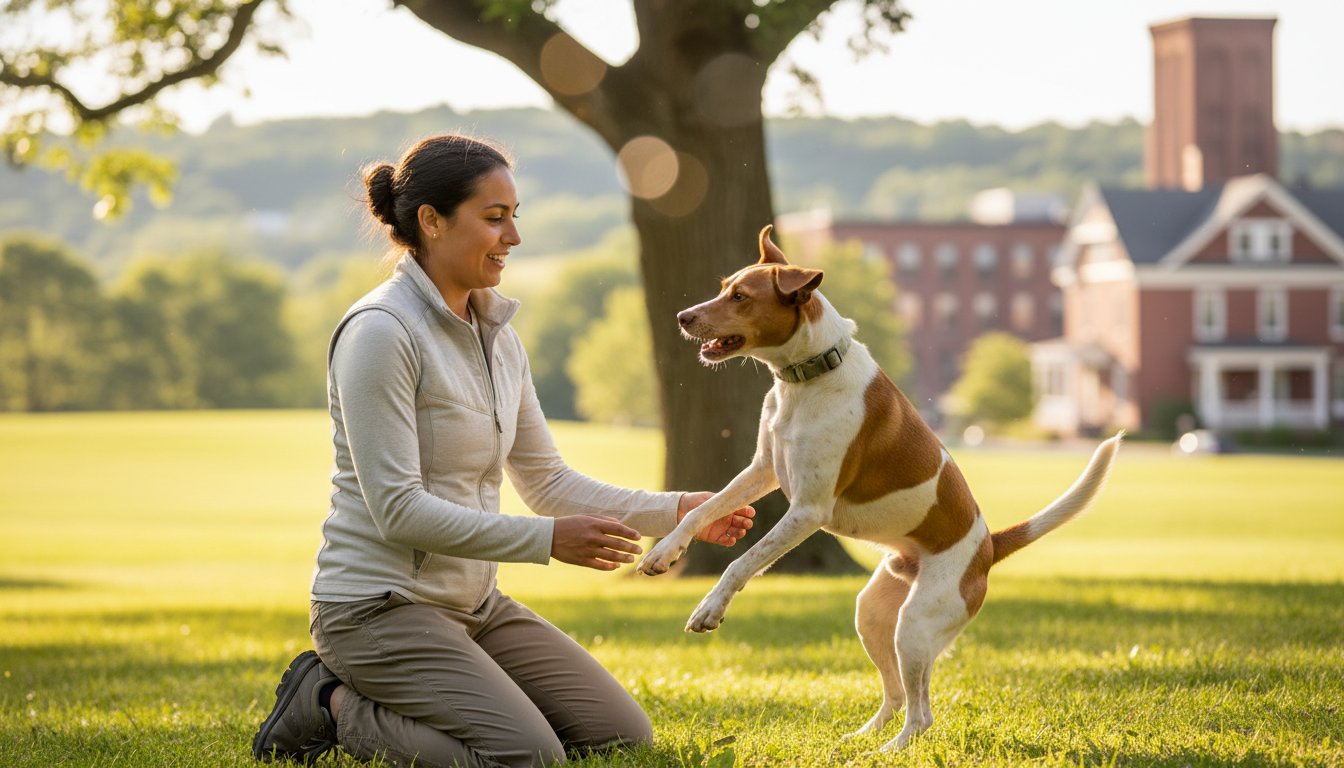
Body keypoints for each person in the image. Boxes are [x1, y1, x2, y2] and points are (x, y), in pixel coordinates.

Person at [249, 134, 753, 768]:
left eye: (514, 216)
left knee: (622, 737)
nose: (513, 236)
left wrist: (680, 512)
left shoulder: (498, 337)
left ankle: (428, 691)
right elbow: (397, 510)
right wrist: (547, 540)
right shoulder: (380, 332)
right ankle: (327, 704)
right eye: (494, 218)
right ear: (431, 221)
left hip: (474, 606)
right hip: (375, 609)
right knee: (529, 758)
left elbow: (548, 481)